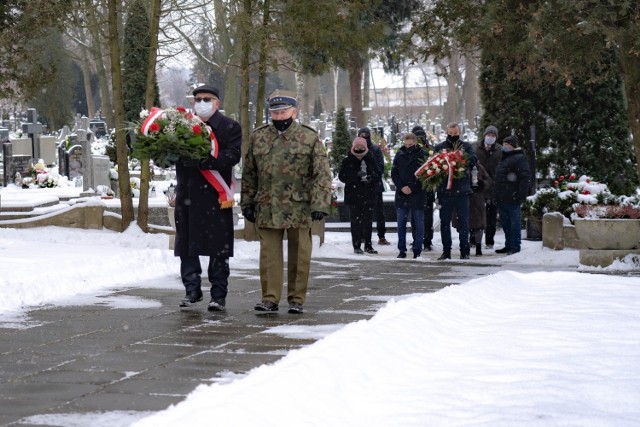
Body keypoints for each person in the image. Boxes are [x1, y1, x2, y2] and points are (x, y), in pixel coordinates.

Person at [241, 91, 332, 314]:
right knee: (269, 256)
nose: (279, 116)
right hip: (267, 205)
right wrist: (247, 202)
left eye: (283, 112)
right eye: (275, 112)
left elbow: (321, 174)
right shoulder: (259, 137)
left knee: (300, 255)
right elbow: (250, 173)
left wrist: (320, 204)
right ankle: (269, 298)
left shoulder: (309, 137)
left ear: (294, 112)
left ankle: (296, 299)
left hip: (298, 206)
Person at [176, 85, 242, 311]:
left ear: (217, 103)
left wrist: (206, 162)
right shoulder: (181, 126)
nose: (201, 102)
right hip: (188, 194)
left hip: (216, 195)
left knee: (219, 248)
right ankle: (191, 290)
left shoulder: (229, 127)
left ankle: (218, 294)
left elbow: (232, 154)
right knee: (187, 245)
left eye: (207, 99)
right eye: (198, 99)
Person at [433, 122, 477, 260]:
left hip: (462, 191)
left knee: (464, 222)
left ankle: (464, 251)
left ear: (459, 133)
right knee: (444, 222)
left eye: (455, 134)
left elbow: (474, 160)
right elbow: (433, 165)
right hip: (444, 192)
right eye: (450, 134)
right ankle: (446, 251)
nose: (452, 136)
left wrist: (459, 157)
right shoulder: (440, 148)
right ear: (446, 132)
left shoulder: (466, 147)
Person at [338, 136, 381, 254]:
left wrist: (371, 179)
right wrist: (356, 175)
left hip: (368, 195)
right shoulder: (348, 160)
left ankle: (368, 245)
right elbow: (342, 176)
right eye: (357, 146)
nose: (359, 148)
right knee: (356, 222)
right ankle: (356, 245)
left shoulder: (370, 158)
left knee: (368, 221)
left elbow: (378, 174)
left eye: (361, 146)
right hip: (354, 195)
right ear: (353, 147)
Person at [391, 132, 428, 259]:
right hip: (402, 194)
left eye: (410, 144)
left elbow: (425, 174)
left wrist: (412, 187)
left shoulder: (423, 155)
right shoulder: (399, 154)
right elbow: (394, 173)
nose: (408, 147)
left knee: (418, 223)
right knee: (401, 224)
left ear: (415, 142)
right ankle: (402, 249)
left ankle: (417, 249)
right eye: (406, 144)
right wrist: (402, 186)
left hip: (417, 193)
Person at [494, 135, 531, 255]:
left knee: (514, 223)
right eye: (504, 144)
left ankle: (515, 246)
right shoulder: (505, 158)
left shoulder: (519, 158)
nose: (504, 147)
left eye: (507, 144)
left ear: (513, 146)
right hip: (502, 197)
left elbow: (525, 178)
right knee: (506, 223)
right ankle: (508, 244)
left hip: (512, 197)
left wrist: (521, 195)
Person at [358, 127, 390, 246]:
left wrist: (372, 177)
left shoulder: (375, 149)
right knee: (362, 212)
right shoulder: (356, 149)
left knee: (379, 213)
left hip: (375, 185)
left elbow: (380, 166)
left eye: (366, 135)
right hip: (361, 187)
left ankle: (381, 236)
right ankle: (363, 236)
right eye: (362, 135)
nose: (364, 137)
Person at [452, 163, 493, 256]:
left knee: (478, 225)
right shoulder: (457, 166)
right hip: (462, 197)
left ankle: (478, 247)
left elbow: (488, 181)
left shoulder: (479, 167)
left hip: (476, 199)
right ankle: (464, 245)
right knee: (463, 225)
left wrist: (482, 184)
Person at [472, 125, 502, 249]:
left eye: (493, 136)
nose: (490, 137)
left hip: (493, 186)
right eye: (489, 135)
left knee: (491, 216)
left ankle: (489, 240)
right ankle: (473, 240)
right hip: (478, 186)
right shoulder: (475, 148)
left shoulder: (499, 150)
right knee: (475, 215)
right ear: (484, 136)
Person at [410, 125, 436, 251]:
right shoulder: (409, 149)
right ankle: (416, 239)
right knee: (415, 216)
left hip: (427, 188)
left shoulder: (430, 150)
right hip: (414, 188)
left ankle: (427, 240)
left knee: (427, 215)